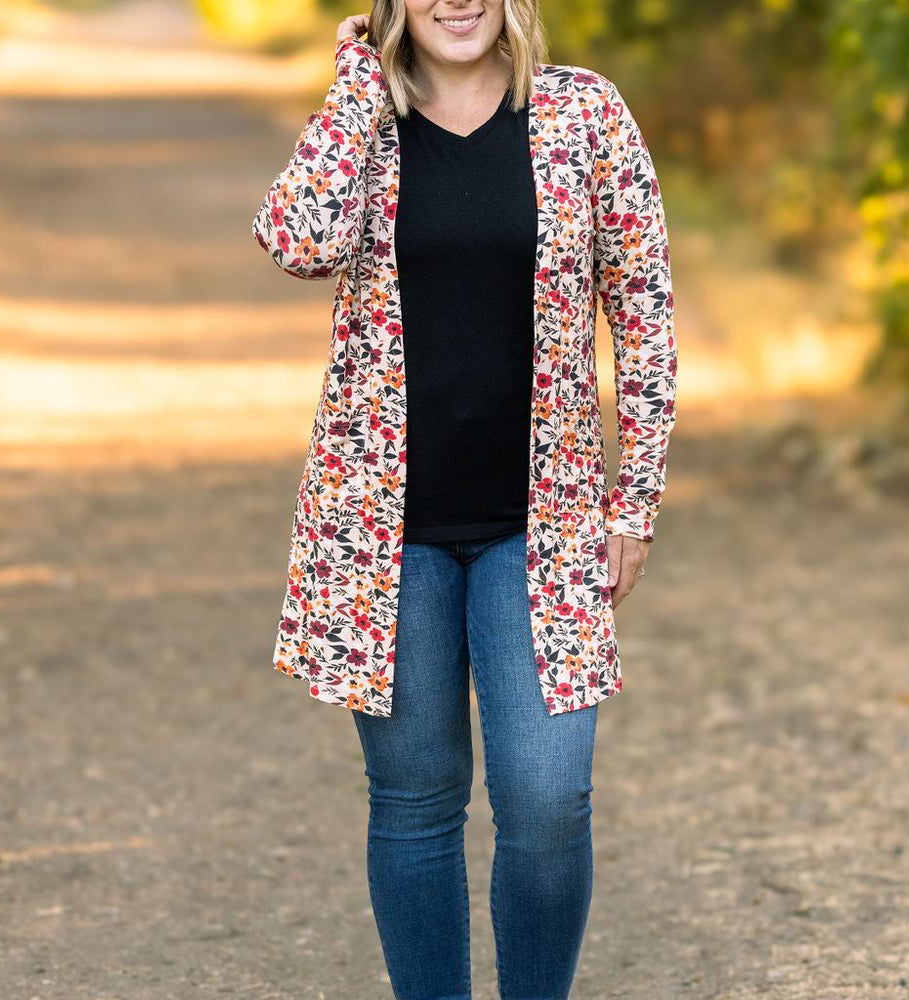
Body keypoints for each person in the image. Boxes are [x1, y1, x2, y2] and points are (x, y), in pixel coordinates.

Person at [250, 2, 676, 997]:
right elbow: (296, 240)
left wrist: (633, 501)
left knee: (545, 797)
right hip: (382, 535)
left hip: (547, 524)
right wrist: (357, 81)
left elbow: (644, 310)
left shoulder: (583, 115)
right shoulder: (366, 127)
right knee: (415, 798)